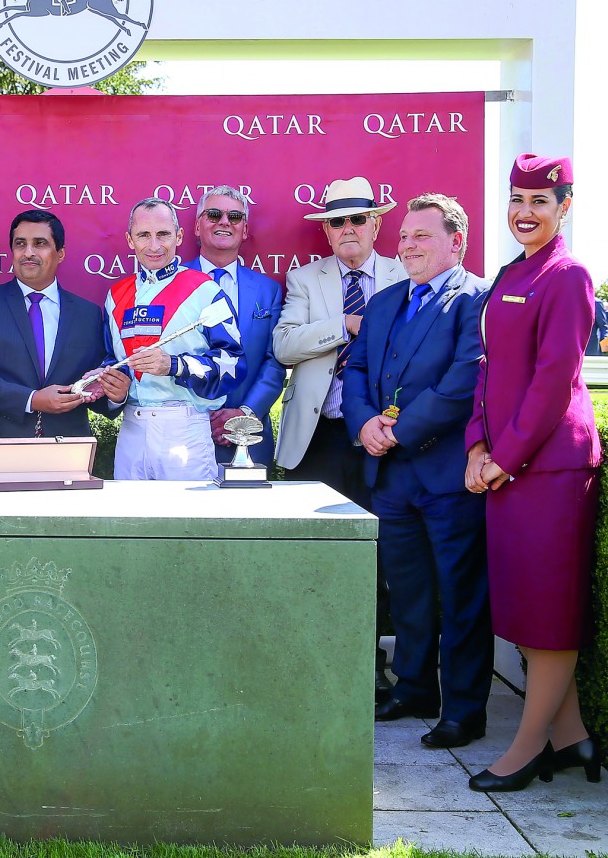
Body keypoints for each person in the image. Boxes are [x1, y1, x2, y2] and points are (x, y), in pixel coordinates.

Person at [464, 154, 603, 791]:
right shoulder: (511, 271)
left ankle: (525, 751)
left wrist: (502, 458)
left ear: (565, 206)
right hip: (507, 466)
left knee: (547, 612)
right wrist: (475, 447)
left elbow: (553, 385)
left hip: (548, 470)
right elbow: (488, 370)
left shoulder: (568, 275)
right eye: (518, 197)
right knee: (524, 605)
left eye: (540, 201)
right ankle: (572, 739)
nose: (525, 211)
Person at [342, 193, 493, 750]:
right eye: (404, 236)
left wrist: (398, 431)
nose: (407, 245)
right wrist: (364, 427)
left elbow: (464, 380)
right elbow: (356, 369)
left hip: (448, 473)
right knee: (406, 589)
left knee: (459, 593)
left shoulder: (475, 299)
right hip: (391, 475)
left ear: (457, 242)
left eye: (421, 236)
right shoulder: (383, 303)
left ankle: (462, 707)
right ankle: (413, 688)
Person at [273, 176, 404, 701]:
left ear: (376, 223)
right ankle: (312, 663)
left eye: (357, 219)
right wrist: (344, 324)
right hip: (321, 438)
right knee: (313, 556)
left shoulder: (405, 273)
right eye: (337, 221)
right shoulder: (305, 279)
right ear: (326, 231)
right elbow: (284, 346)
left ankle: (370, 665)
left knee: (379, 557)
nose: (347, 229)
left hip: (384, 437)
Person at [105, 198, 245, 481]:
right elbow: (114, 361)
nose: (154, 246)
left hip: (185, 429)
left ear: (179, 236)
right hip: (132, 428)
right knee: (127, 523)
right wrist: (110, 386)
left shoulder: (206, 290)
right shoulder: (115, 295)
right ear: (130, 240)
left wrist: (174, 365)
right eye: (144, 235)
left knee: (190, 524)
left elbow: (234, 364)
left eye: (163, 234)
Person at [0, 210, 126, 437]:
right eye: (20, 244)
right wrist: (32, 400)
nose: (28, 252)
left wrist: (116, 396)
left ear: (60, 253)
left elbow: (91, 389)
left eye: (40, 243)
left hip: (67, 449)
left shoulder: (88, 314)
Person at [183, 185, 284, 467]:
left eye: (235, 217)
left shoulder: (268, 291)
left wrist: (244, 414)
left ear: (245, 229)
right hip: (182, 433)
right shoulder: (172, 284)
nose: (224, 222)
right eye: (213, 214)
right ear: (197, 226)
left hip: (247, 438)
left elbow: (274, 361)